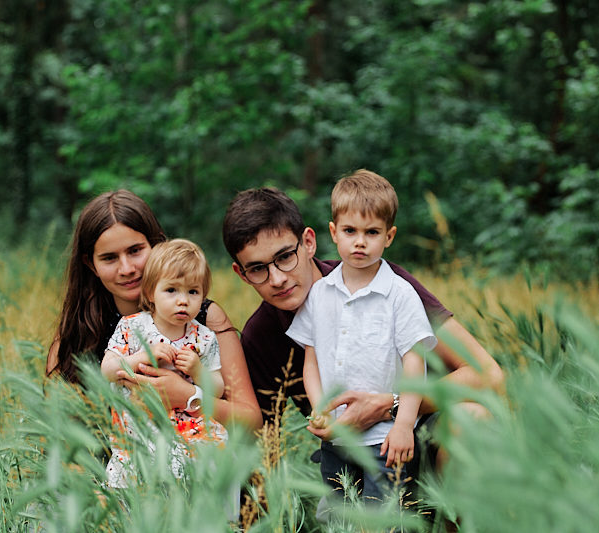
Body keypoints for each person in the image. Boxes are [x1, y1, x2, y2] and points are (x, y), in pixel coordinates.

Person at [221, 182, 503, 464]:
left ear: (308, 242)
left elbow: (488, 375)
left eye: (284, 257)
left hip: (425, 432)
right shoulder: (261, 336)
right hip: (349, 460)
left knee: (473, 420)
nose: (277, 278)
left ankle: (453, 506)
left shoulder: (385, 282)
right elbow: (258, 442)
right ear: (241, 273)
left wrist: (390, 407)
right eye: (258, 268)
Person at [46, 189, 262, 432]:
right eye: (109, 258)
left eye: (135, 250)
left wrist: (189, 396)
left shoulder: (202, 318)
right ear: (91, 264)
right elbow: (56, 428)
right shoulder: (80, 327)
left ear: (156, 245)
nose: (126, 268)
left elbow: (252, 420)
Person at [286, 170, 437, 502]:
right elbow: (310, 362)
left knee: (383, 516)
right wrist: (319, 407)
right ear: (333, 232)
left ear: (389, 236)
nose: (360, 241)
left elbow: (415, 365)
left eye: (372, 232)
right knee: (339, 517)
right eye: (350, 231)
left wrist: (403, 425)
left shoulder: (400, 294)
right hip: (337, 438)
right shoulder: (319, 294)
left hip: (384, 439)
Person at [101, 239, 228, 487]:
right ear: (150, 293)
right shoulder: (132, 326)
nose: (183, 300)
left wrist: (197, 370)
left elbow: (218, 389)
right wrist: (141, 357)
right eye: (171, 290)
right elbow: (107, 370)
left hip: (188, 429)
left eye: (193, 292)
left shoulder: (203, 337)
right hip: (139, 425)